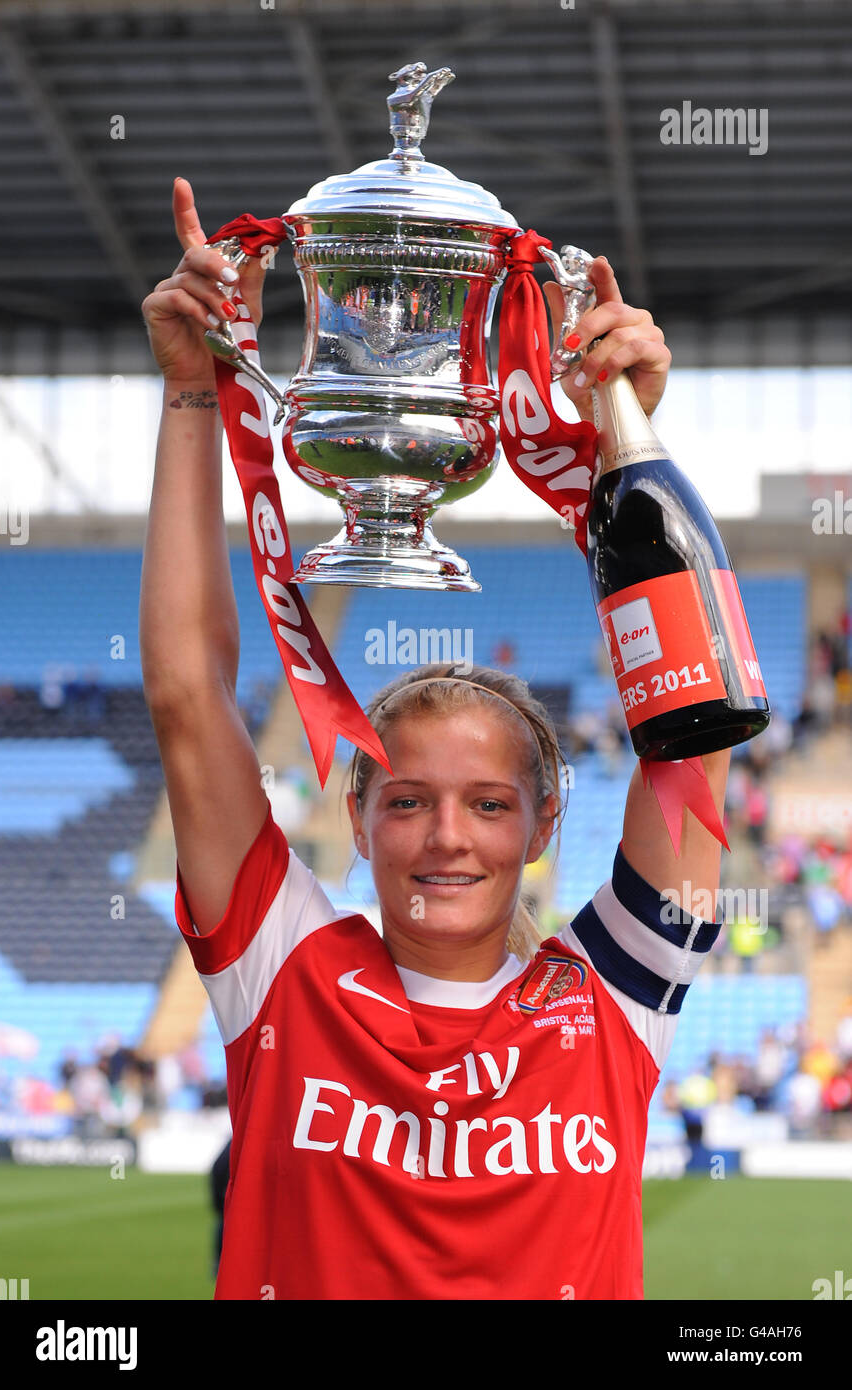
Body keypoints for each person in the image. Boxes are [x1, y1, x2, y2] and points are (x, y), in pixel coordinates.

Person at [140, 178, 729, 1301]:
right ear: (356, 817)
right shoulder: (286, 970)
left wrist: (623, 428)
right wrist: (188, 396)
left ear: (544, 823)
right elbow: (183, 694)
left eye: (488, 803)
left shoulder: (611, 996)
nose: (444, 838)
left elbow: (691, 712)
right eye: (405, 799)